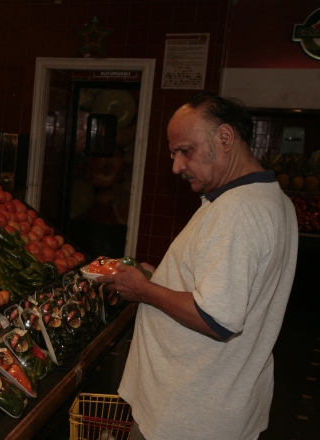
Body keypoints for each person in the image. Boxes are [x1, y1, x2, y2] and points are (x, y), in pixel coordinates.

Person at [98, 93, 298, 440]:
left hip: (188, 414)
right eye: (173, 153)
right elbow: (228, 285)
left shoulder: (238, 211)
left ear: (224, 138)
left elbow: (217, 318)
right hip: (220, 400)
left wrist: (143, 290)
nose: (176, 166)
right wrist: (160, 278)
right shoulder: (269, 198)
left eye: (185, 151)